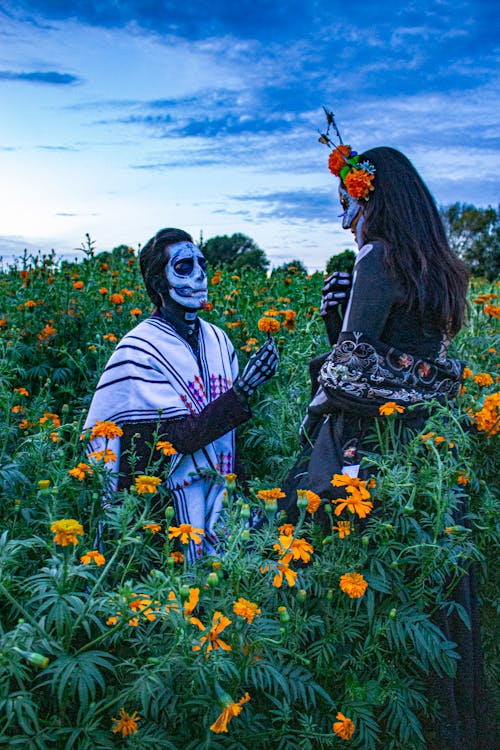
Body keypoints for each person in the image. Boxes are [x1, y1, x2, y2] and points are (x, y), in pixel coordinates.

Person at [280, 118, 496, 749]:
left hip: (364, 446)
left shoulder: (376, 259)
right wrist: (339, 332)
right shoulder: (437, 268)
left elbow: (352, 373)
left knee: (351, 566)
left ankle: (364, 711)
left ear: (367, 196)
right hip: (422, 446)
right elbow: (401, 361)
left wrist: (331, 343)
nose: (343, 218)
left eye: (345, 203)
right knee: (428, 580)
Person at [83, 228, 278, 559]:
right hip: (162, 505)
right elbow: (175, 439)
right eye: (185, 266)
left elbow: (228, 438)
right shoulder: (138, 349)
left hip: (221, 491)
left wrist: (241, 489)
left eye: (201, 263)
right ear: (159, 283)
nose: (200, 274)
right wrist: (243, 390)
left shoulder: (218, 340)